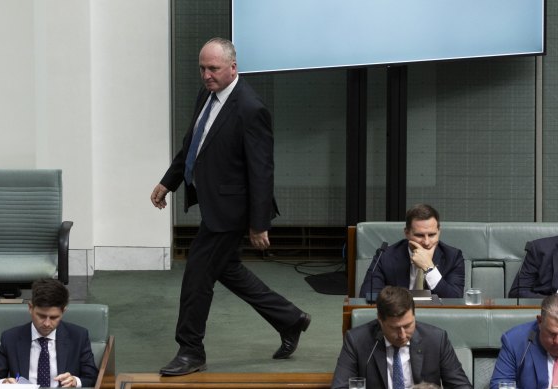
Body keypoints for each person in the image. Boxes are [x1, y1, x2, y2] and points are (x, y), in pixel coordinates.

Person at [150, 37, 310, 376]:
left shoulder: (250, 108)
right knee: (227, 270)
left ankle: (191, 350)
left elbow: (262, 169)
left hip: (232, 211)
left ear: (233, 68)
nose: (206, 75)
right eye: (202, 68)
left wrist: (259, 222)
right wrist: (168, 182)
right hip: (213, 203)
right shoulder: (206, 96)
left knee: (197, 275)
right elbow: (192, 145)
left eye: (214, 68)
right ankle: (290, 319)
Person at [332, 286, 471, 389]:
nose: (403, 335)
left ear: (414, 316)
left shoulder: (436, 339)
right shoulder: (357, 341)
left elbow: (461, 386)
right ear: (380, 320)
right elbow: (340, 386)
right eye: (394, 328)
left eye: (408, 325)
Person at [0, 279, 98, 387]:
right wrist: (4, 383)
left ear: (63, 311)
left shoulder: (78, 336)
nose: (46, 323)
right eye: (41, 316)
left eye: (54, 317)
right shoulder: (11, 338)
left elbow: (92, 378)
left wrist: (75, 381)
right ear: (30, 308)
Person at [359, 204, 465, 300]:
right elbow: (368, 295)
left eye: (432, 235)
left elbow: (455, 299)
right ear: (407, 233)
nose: (427, 242)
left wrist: (429, 268)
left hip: (437, 317)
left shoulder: (453, 257)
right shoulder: (385, 255)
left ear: (439, 232)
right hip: (398, 317)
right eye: (419, 235)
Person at [490, 293, 558, 388]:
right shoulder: (515, 340)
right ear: (540, 322)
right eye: (552, 334)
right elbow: (500, 385)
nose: (557, 341)